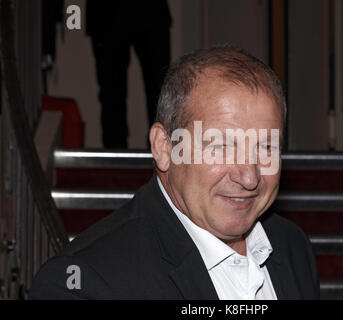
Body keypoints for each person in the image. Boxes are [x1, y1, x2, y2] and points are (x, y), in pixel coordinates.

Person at [29, 46, 320, 300]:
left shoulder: (291, 246)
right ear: (164, 148)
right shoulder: (85, 283)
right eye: (220, 146)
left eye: (266, 147)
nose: (250, 177)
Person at [86, 0, 172, 148]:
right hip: (107, 14)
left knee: (159, 90)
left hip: (147, 11)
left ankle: (158, 151)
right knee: (111, 93)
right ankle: (115, 157)